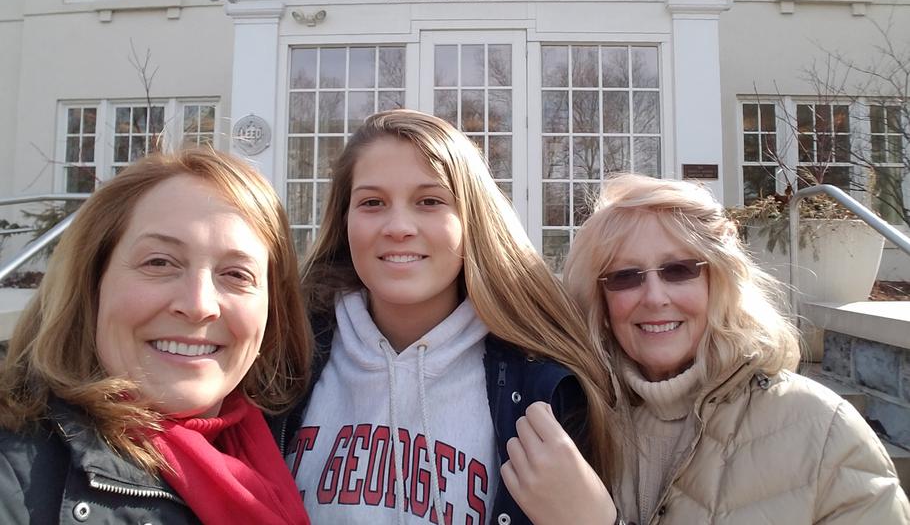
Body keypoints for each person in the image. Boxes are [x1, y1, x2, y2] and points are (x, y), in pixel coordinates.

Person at [269, 109, 621, 525]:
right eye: (372, 202)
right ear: (344, 219)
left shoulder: (544, 388)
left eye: (430, 201)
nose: (398, 226)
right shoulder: (281, 362)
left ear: (472, 219)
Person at [528, 173, 910, 524]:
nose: (655, 297)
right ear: (602, 302)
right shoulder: (578, 424)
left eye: (679, 270)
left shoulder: (823, 430)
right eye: (625, 277)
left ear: (719, 281)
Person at [0, 149, 313, 524]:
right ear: (92, 285)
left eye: (236, 275)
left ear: (271, 310)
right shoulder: (14, 473)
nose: (199, 306)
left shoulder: (296, 452)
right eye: (160, 263)